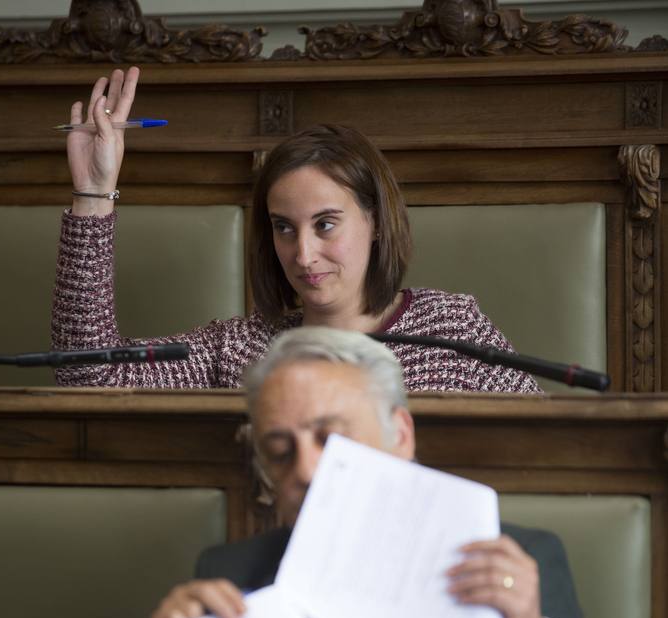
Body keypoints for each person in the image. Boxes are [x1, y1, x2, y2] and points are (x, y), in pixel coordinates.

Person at [107, 327, 646, 618]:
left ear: (401, 436)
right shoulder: (230, 573)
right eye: (280, 451)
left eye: (329, 437)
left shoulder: (518, 564)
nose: (306, 470)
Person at [53, 67, 540, 393]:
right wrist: (93, 193)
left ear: (375, 222)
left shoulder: (452, 328)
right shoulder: (243, 348)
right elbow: (88, 373)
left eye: (325, 224)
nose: (303, 254)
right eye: (284, 228)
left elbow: (543, 449)